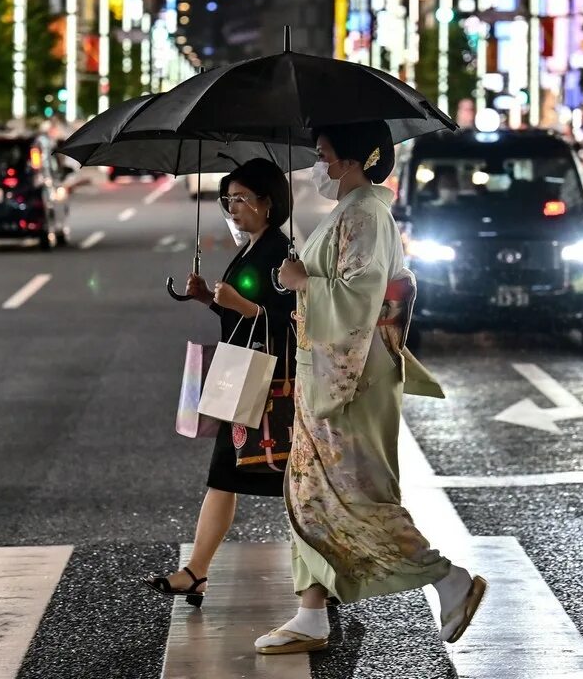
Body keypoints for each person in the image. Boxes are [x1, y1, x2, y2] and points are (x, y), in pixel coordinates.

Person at [262, 121, 486, 655]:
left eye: (322, 154)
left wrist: (302, 284)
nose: (317, 165)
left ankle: (447, 578)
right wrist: (301, 280)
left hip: (350, 382)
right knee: (309, 493)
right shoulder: (355, 212)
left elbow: (359, 301)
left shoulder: (364, 214)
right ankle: (311, 612)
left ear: (352, 159)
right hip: (333, 375)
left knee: (356, 497)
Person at [142, 158, 296, 604]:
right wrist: (210, 299)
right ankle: (196, 570)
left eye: (242, 199)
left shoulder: (279, 254)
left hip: (268, 387)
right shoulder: (252, 247)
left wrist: (242, 306)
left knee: (295, 485)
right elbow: (243, 314)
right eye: (228, 200)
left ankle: (324, 576)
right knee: (225, 476)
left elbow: (293, 320)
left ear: (269, 202)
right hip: (243, 377)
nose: (233, 208)